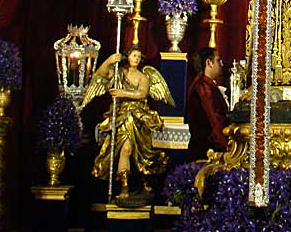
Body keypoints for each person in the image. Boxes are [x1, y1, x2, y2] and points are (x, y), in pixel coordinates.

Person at [85, 46, 173, 198]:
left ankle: (140, 182)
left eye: (138, 56)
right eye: (134, 55)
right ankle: (124, 186)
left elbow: (142, 93)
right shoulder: (119, 72)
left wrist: (123, 93)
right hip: (122, 117)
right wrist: (109, 61)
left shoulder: (143, 76)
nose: (136, 59)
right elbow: (102, 75)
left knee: (138, 153)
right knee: (125, 150)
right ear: (128, 57)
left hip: (138, 117)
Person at [186, 47, 229, 162]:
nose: (221, 64)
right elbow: (213, 118)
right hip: (208, 150)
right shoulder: (203, 88)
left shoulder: (205, 85)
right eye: (218, 60)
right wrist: (225, 146)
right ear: (209, 63)